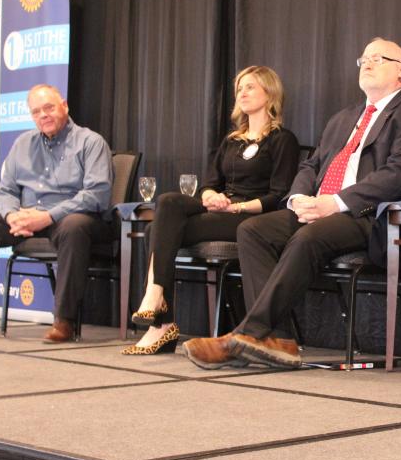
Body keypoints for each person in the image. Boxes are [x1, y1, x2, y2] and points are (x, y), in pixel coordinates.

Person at [179, 37, 401, 369]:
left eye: (379, 58)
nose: (368, 63)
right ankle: (280, 341)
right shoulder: (343, 118)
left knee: (308, 237)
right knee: (253, 230)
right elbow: (311, 165)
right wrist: (298, 199)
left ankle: (247, 334)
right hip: (318, 207)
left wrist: (337, 202)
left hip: (366, 215)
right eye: (364, 59)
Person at [122, 66, 300, 355]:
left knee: (157, 230)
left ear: (270, 93)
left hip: (251, 217)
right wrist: (211, 196)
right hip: (221, 209)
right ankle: (156, 299)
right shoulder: (232, 140)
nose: (242, 93)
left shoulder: (283, 140)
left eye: (250, 87)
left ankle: (160, 322)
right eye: (239, 88)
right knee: (168, 203)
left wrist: (237, 206)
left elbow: (279, 196)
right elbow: (209, 184)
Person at [0, 84, 113, 343]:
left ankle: (64, 320)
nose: (43, 115)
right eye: (36, 111)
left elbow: (96, 195)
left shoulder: (90, 142)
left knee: (73, 226)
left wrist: (47, 217)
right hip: (27, 218)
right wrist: (12, 216)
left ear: (65, 106)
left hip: (73, 218)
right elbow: (5, 191)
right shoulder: (23, 143)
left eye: (49, 107)